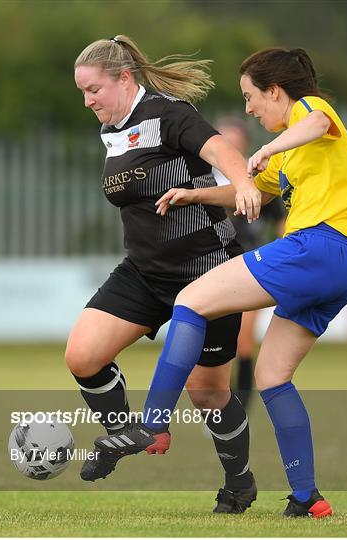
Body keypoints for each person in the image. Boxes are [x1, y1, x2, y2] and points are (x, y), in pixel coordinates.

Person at [97, 47, 347, 518]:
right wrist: (195, 193)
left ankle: (152, 424)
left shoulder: (310, 112)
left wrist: (265, 148)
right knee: (271, 377)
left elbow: (317, 124)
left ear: (274, 91)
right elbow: (252, 193)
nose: (247, 108)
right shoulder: (288, 159)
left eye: (251, 97)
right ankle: (308, 498)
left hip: (317, 246)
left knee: (191, 299)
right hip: (344, 266)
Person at [68, 34, 261, 514]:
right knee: (82, 355)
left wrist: (243, 185)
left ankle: (239, 483)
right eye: (83, 93)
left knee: (208, 392)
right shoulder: (113, 128)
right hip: (145, 272)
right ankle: (124, 433)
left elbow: (221, 152)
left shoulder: (167, 113)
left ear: (124, 78)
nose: (88, 101)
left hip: (207, 273)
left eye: (94, 90)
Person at [213, 116, 286, 409]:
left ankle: (240, 408)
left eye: (235, 139)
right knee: (213, 345)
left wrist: (287, 252)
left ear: (244, 144)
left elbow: (282, 221)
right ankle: (218, 404)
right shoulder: (202, 178)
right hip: (212, 268)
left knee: (243, 343)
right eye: (223, 139)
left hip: (249, 267)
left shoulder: (254, 178)